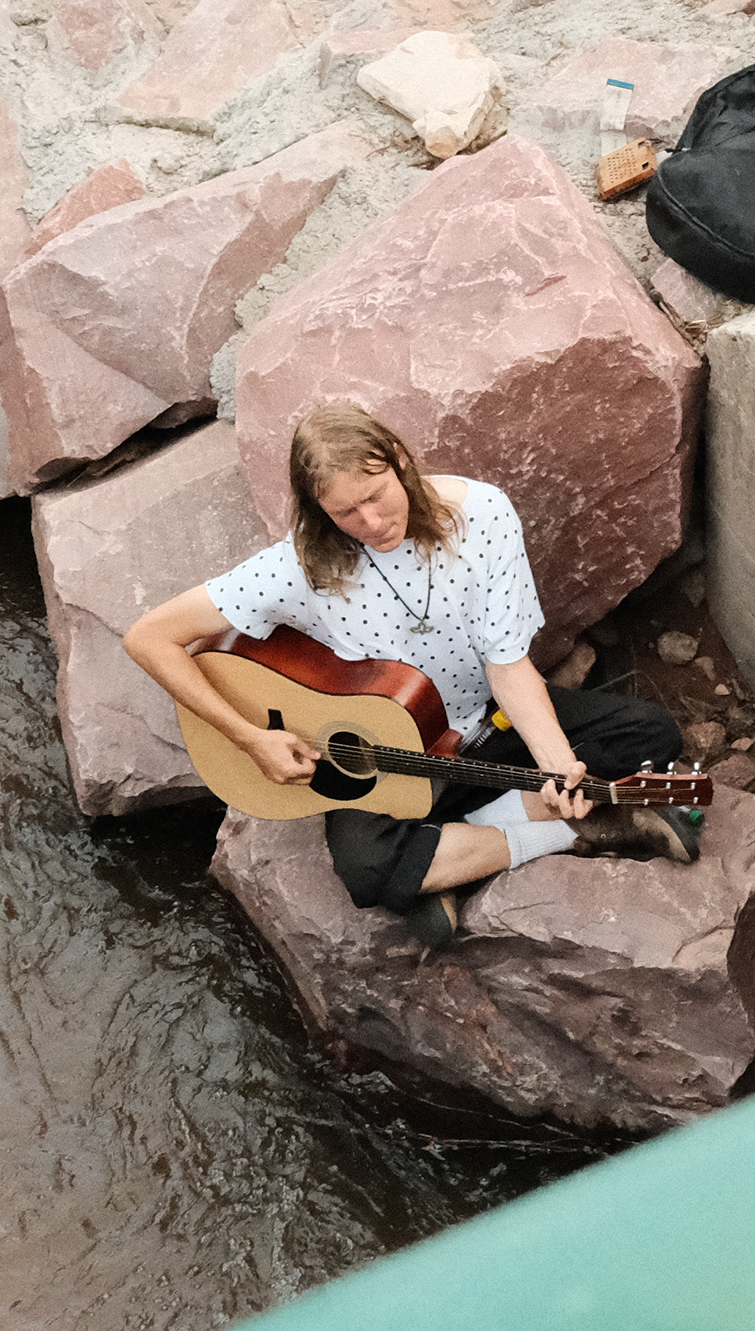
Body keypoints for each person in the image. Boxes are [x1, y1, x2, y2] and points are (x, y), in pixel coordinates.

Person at [124, 401, 699, 942]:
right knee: (365, 867)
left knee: (648, 735)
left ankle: (450, 857)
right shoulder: (298, 567)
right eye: (346, 512)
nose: (371, 521)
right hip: (391, 755)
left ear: (399, 459)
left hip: (491, 721)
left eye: (376, 495)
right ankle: (573, 829)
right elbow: (149, 638)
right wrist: (250, 738)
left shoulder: (483, 515)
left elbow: (508, 666)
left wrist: (555, 763)